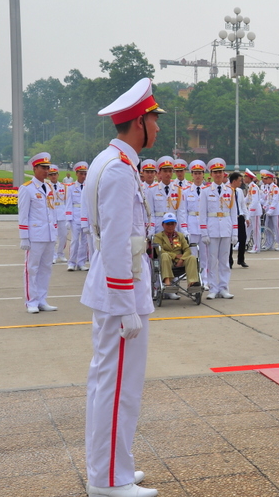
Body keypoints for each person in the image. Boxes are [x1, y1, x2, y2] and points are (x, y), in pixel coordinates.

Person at [83, 77, 163, 497]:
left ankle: (114, 466)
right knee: (118, 389)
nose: (157, 126)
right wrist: (127, 304)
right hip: (121, 291)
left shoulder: (108, 162)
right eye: (154, 118)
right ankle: (108, 480)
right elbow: (115, 242)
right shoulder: (117, 170)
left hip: (119, 287)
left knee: (111, 385)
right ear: (139, 122)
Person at [18, 152, 58, 314]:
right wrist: (24, 237)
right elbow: (23, 214)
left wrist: (55, 230)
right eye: (43, 167)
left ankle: (42, 299)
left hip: (49, 234)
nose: (46, 171)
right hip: (35, 235)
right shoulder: (26, 188)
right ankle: (31, 301)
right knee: (32, 269)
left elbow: (52, 210)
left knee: (46, 268)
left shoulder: (48, 187)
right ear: (35, 168)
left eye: (48, 168)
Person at [200, 158, 237, 300]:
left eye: (220, 172)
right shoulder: (206, 191)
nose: (218, 174)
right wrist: (204, 232)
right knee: (212, 260)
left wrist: (235, 232)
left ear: (224, 173)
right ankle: (213, 288)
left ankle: (224, 287)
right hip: (212, 228)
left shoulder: (230, 190)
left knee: (224, 260)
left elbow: (233, 212)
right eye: (215, 172)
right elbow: (202, 213)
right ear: (211, 174)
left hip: (226, 227)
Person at [152, 212, 200, 299]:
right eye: (168, 224)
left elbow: (187, 249)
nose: (170, 226)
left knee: (192, 257)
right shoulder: (158, 236)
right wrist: (174, 256)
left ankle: (192, 283)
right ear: (163, 225)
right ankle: (167, 282)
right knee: (164, 255)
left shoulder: (180, 236)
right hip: (166, 260)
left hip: (180, 260)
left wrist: (182, 259)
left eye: (172, 224)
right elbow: (160, 251)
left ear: (175, 224)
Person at [147, 156, 185, 238]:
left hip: (174, 227)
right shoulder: (152, 190)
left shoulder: (178, 190)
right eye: (165, 171)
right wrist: (151, 230)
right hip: (159, 226)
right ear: (160, 172)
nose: (168, 174)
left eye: (170, 171)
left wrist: (183, 231)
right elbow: (151, 213)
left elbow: (181, 213)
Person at [185, 160, 208, 285]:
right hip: (192, 225)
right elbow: (183, 211)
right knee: (192, 256)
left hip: (204, 227)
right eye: (195, 173)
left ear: (203, 174)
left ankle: (204, 280)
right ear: (192, 175)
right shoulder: (186, 191)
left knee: (205, 257)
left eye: (200, 173)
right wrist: (184, 228)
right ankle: (193, 280)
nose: (198, 175)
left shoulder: (208, 190)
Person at [66, 162, 90, 271]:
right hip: (75, 216)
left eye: (85, 173)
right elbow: (68, 203)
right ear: (76, 174)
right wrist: (68, 219)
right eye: (81, 174)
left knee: (84, 241)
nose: (83, 176)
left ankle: (81, 262)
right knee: (75, 240)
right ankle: (71, 262)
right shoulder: (71, 187)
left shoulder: (88, 186)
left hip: (86, 217)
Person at [47, 165, 70, 264]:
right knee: (53, 236)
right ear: (48, 176)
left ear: (58, 175)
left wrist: (68, 215)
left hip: (61, 212)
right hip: (51, 212)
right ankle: (53, 255)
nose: (53, 176)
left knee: (63, 236)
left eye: (55, 174)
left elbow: (67, 202)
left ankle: (61, 253)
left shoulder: (63, 187)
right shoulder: (46, 187)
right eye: (51, 175)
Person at [261, 170, 279, 251]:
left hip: (275, 211)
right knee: (268, 228)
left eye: (266, 178)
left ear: (271, 179)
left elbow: (275, 201)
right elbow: (268, 199)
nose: (265, 180)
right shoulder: (268, 187)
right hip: (269, 210)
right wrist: (265, 207)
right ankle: (269, 244)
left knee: (277, 228)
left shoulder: (275, 188)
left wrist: (270, 210)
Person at [227, 171, 247, 268]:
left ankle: (241, 259)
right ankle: (229, 261)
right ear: (234, 181)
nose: (241, 182)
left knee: (243, 239)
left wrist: (246, 217)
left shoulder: (239, 191)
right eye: (239, 180)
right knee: (230, 240)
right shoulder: (226, 190)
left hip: (240, 217)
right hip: (230, 218)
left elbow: (243, 205)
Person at [244, 168, 263, 254]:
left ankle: (256, 247)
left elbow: (254, 201)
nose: (244, 179)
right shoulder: (250, 187)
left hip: (255, 211)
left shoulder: (254, 187)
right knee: (248, 228)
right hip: (251, 211)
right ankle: (245, 243)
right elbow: (247, 199)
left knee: (256, 230)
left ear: (249, 178)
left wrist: (249, 212)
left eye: (245, 177)